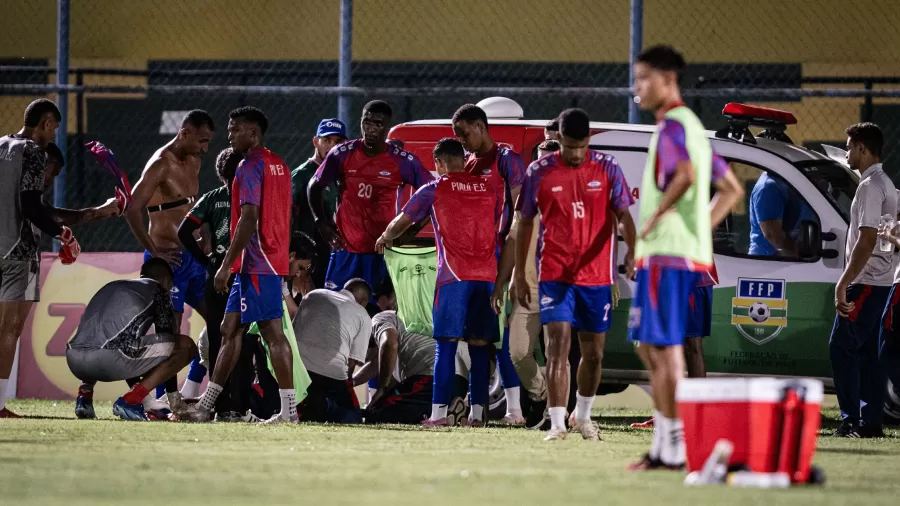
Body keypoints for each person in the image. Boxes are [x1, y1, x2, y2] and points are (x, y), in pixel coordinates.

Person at [628, 45, 744, 469]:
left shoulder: (673, 127)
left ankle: (674, 446)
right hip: (682, 254)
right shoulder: (693, 127)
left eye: (643, 78)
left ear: (666, 79)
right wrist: (698, 235)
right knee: (654, 348)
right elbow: (731, 189)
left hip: (665, 254)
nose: (637, 88)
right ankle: (668, 444)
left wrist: (657, 216)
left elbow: (686, 176)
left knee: (662, 350)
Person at [513, 108, 637, 441]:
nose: (575, 154)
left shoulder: (607, 168)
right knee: (557, 346)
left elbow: (623, 215)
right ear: (559, 139)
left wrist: (633, 254)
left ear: (588, 140)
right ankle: (556, 423)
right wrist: (521, 275)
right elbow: (524, 223)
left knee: (594, 353)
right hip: (555, 272)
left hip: (595, 276)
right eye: (569, 146)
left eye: (581, 146)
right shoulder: (539, 171)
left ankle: (582, 416)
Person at [377, 138, 504, 427]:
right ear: (463, 159)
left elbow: (402, 221)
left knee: (445, 347)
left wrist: (385, 237)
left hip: (454, 277)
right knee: (480, 347)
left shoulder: (435, 188)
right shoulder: (489, 189)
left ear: (438, 163)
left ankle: (438, 415)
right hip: (486, 276)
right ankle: (478, 414)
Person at [186, 106, 296, 424]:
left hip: (256, 262)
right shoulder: (280, 165)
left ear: (252, 132)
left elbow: (249, 218)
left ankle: (288, 412)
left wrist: (225, 265)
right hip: (268, 259)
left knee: (272, 334)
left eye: (235, 129)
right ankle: (206, 405)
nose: (230, 135)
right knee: (228, 329)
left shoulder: (249, 166)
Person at [0, 99, 82, 418]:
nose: (53, 135)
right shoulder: (34, 151)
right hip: (18, 252)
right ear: (46, 123)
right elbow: (31, 206)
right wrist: (60, 233)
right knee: (9, 330)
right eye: (55, 128)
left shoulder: (2, 145)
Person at [125, 109, 216, 398]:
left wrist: (203, 236)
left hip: (191, 258)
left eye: (207, 142)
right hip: (168, 262)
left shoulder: (195, 160)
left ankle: (199, 392)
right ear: (184, 132)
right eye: (201, 140)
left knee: (220, 321)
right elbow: (132, 208)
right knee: (171, 336)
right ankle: (168, 400)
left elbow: (190, 208)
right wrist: (155, 255)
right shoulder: (160, 164)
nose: (205, 148)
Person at [308, 100, 434, 295]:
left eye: (378, 124)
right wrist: (321, 222)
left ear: (387, 127)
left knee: (378, 311)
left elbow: (434, 193)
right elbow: (314, 186)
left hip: (382, 252)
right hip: (345, 250)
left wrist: (412, 230)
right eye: (367, 123)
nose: (371, 129)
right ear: (361, 123)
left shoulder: (402, 161)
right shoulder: (342, 154)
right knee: (335, 308)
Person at [453, 103, 526, 425]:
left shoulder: (507, 161)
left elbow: (520, 213)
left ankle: (516, 411)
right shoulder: (467, 164)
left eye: (464, 133)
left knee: (502, 340)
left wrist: (512, 266)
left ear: (480, 126)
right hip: (475, 263)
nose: (461, 140)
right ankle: (477, 411)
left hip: (500, 260)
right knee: (477, 339)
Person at [66, 259, 197, 421]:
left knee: (107, 335)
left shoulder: (113, 286)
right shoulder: (159, 290)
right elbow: (170, 343)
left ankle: (84, 396)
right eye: (170, 285)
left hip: (74, 359)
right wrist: (173, 398)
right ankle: (131, 400)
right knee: (186, 345)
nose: (170, 291)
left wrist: (148, 401)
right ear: (165, 281)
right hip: (108, 359)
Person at [830, 122, 896, 438]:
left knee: (841, 347)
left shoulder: (870, 187)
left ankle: (852, 420)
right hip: (881, 281)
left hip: (866, 281)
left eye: (848, 147)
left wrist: (844, 282)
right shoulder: (887, 185)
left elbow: (867, 239)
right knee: (869, 353)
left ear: (862, 149)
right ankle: (870, 422)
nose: (846, 153)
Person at [496, 139, 559, 430]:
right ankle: (543, 395)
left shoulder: (570, 195)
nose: (543, 166)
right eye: (539, 160)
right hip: (527, 287)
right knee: (518, 352)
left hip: (560, 286)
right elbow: (513, 239)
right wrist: (508, 279)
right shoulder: (526, 198)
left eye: (549, 159)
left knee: (558, 353)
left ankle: (555, 415)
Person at [176, 147, 242, 419]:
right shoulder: (251, 199)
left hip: (215, 273)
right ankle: (237, 404)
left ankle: (219, 404)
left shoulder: (211, 198)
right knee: (241, 338)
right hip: (241, 272)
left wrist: (207, 262)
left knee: (217, 338)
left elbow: (183, 231)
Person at [293, 279, 372, 422]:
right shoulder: (363, 315)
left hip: (296, 369)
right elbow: (352, 362)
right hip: (330, 376)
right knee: (353, 418)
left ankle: (313, 404)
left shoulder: (314, 294)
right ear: (364, 301)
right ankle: (325, 406)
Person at [291, 119, 346, 289]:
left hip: (335, 254)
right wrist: (296, 256)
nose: (332, 147)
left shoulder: (342, 175)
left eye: (337, 142)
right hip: (309, 258)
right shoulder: (301, 175)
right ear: (316, 142)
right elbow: (288, 217)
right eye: (327, 141)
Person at [359, 310, 436, 424]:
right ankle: (442, 410)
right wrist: (351, 383)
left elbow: (389, 344)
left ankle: (442, 413)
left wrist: (382, 388)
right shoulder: (407, 321)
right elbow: (379, 360)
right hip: (450, 379)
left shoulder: (379, 319)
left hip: (428, 378)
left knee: (376, 415)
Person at [748, 171, 817, 257]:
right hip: (770, 262)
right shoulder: (768, 187)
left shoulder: (791, 181)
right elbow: (772, 235)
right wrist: (801, 257)